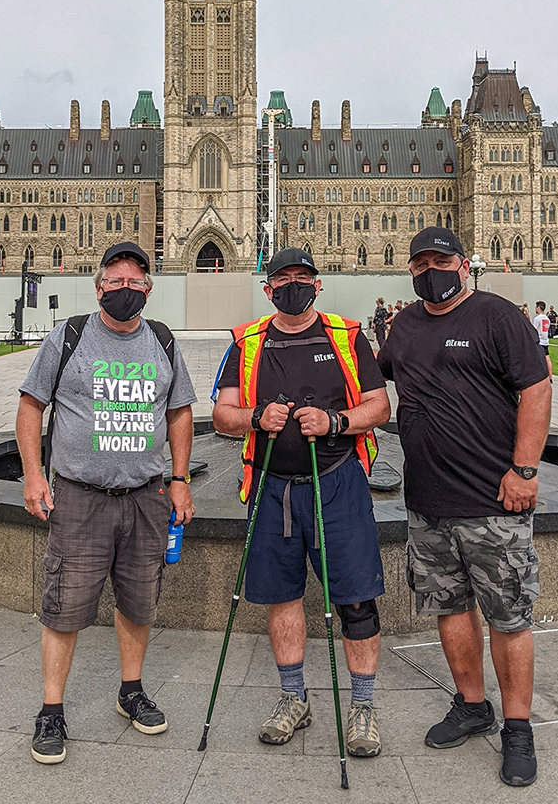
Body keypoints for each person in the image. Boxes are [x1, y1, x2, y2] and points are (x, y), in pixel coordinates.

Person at [378, 228, 551, 789]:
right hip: (428, 501)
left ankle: (519, 728)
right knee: (449, 609)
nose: (433, 269)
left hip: (493, 501)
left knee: (508, 616)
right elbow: (368, 385)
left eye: (442, 260)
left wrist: (523, 470)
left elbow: (537, 388)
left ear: (462, 263)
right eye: (422, 262)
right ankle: (472, 705)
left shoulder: (495, 316)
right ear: (410, 270)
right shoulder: (403, 326)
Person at [16, 242, 196, 766]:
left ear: (148, 290)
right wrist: (32, 475)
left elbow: (180, 411)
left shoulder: (161, 341)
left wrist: (180, 478)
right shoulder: (69, 337)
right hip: (81, 496)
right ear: (98, 288)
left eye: (134, 284)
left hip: (145, 498)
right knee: (65, 607)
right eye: (114, 283)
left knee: (139, 602)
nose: (124, 291)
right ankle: (52, 710)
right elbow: (31, 405)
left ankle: (130, 690)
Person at [213, 248, 391, 758]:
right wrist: (255, 418)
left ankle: (362, 707)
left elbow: (379, 405)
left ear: (318, 286)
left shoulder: (347, 336)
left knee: (356, 599)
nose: (294, 285)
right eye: (283, 279)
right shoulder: (247, 342)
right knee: (282, 597)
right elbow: (222, 412)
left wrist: (335, 422)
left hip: (337, 483)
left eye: (303, 278)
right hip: (272, 487)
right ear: (268, 290)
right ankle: (295, 698)